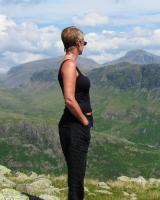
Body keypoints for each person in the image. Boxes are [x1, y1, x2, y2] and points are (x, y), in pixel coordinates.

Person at [57, 26, 93, 200]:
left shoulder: (71, 65)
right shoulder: (69, 66)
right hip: (74, 127)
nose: (84, 45)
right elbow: (70, 99)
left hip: (76, 127)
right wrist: (84, 121)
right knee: (76, 180)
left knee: (78, 177)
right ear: (78, 43)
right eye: (84, 42)